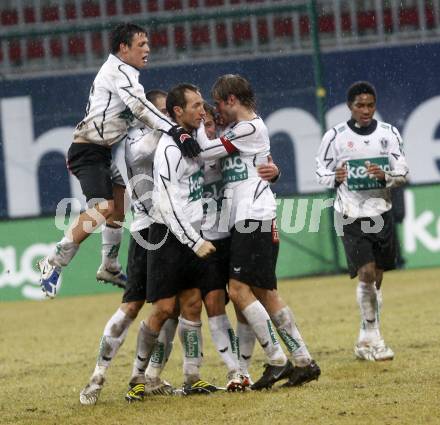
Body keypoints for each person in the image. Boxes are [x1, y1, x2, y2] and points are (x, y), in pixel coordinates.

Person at [37, 23, 201, 299]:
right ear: (123, 48)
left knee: (119, 204)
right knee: (102, 207)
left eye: (148, 44)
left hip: (100, 151)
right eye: (141, 44)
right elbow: (139, 106)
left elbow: (135, 111)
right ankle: (52, 261)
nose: (147, 49)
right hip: (86, 150)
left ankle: (110, 265)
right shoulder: (120, 71)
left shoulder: (123, 73)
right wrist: (175, 130)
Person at [200, 74, 320, 390]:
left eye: (217, 104)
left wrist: (194, 130)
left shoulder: (249, 127)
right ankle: (305, 362)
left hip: (252, 216)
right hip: (251, 215)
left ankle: (277, 360)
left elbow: (207, 152)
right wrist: (275, 172)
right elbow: (258, 165)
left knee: (238, 291)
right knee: (266, 293)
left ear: (231, 100)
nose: (216, 111)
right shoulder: (241, 131)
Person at [124, 83, 222, 401]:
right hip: (167, 235)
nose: (202, 110)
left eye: (202, 104)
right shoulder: (168, 149)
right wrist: (193, 241)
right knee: (164, 309)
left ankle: (192, 376)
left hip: (193, 234)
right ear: (177, 112)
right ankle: (138, 376)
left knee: (192, 304)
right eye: (195, 105)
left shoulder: (191, 142)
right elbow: (166, 204)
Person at [79, 90, 177, 405]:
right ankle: (99, 375)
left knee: (172, 307)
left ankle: (151, 375)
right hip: (151, 230)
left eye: (166, 111)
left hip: (170, 226)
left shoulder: (153, 137)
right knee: (137, 307)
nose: (164, 117)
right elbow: (142, 155)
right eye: (159, 111)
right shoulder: (135, 140)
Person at [316, 81, 409, 361]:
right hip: (351, 213)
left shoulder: (388, 133)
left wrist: (387, 176)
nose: (366, 110)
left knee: (377, 277)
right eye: (360, 105)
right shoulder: (335, 136)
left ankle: (366, 336)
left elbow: (403, 169)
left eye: (370, 105)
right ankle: (375, 338)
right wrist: (334, 178)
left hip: (381, 211)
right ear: (350, 107)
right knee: (366, 272)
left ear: (375, 105)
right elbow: (320, 169)